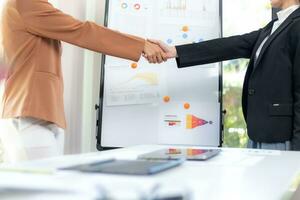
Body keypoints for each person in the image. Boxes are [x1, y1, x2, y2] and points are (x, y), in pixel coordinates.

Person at [0, 0, 167, 161]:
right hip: (29, 113)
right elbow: (82, 31)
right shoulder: (25, 3)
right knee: (45, 186)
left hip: (43, 113)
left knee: (53, 183)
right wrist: (140, 45)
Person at [149, 0, 300, 151]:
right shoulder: (274, 26)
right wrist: (175, 51)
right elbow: (231, 45)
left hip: (282, 136)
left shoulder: (297, 25)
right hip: (260, 131)